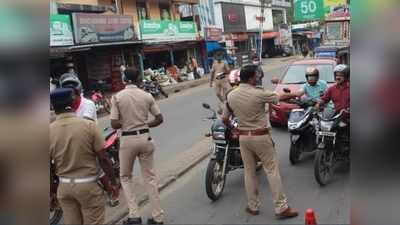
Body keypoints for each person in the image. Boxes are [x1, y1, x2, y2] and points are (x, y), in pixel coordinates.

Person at [222, 65, 298, 219]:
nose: (258, 78)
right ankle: (281, 207)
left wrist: (234, 129)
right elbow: (279, 97)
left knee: (249, 173)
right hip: (260, 137)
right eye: (256, 76)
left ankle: (252, 206)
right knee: (272, 170)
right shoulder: (259, 93)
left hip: (243, 138)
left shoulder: (231, 95)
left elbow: (224, 119)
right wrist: (299, 93)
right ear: (250, 78)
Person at [50, 88, 118, 225]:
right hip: (88, 186)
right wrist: (113, 183)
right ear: (73, 102)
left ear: (52, 106)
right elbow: (103, 158)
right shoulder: (88, 126)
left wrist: (52, 191)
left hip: (64, 188)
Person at [110, 68, 165, 225]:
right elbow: (160, 118)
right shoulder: (146, 96)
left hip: (127, 140)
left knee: (125, 177)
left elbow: (114, 123)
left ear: (124, 79)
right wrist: (144, 124)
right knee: (150, 178)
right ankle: (158, 217)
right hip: (145, 138)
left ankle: (134, 216)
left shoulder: (117, 97)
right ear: (138, 78)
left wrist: (127, 124)